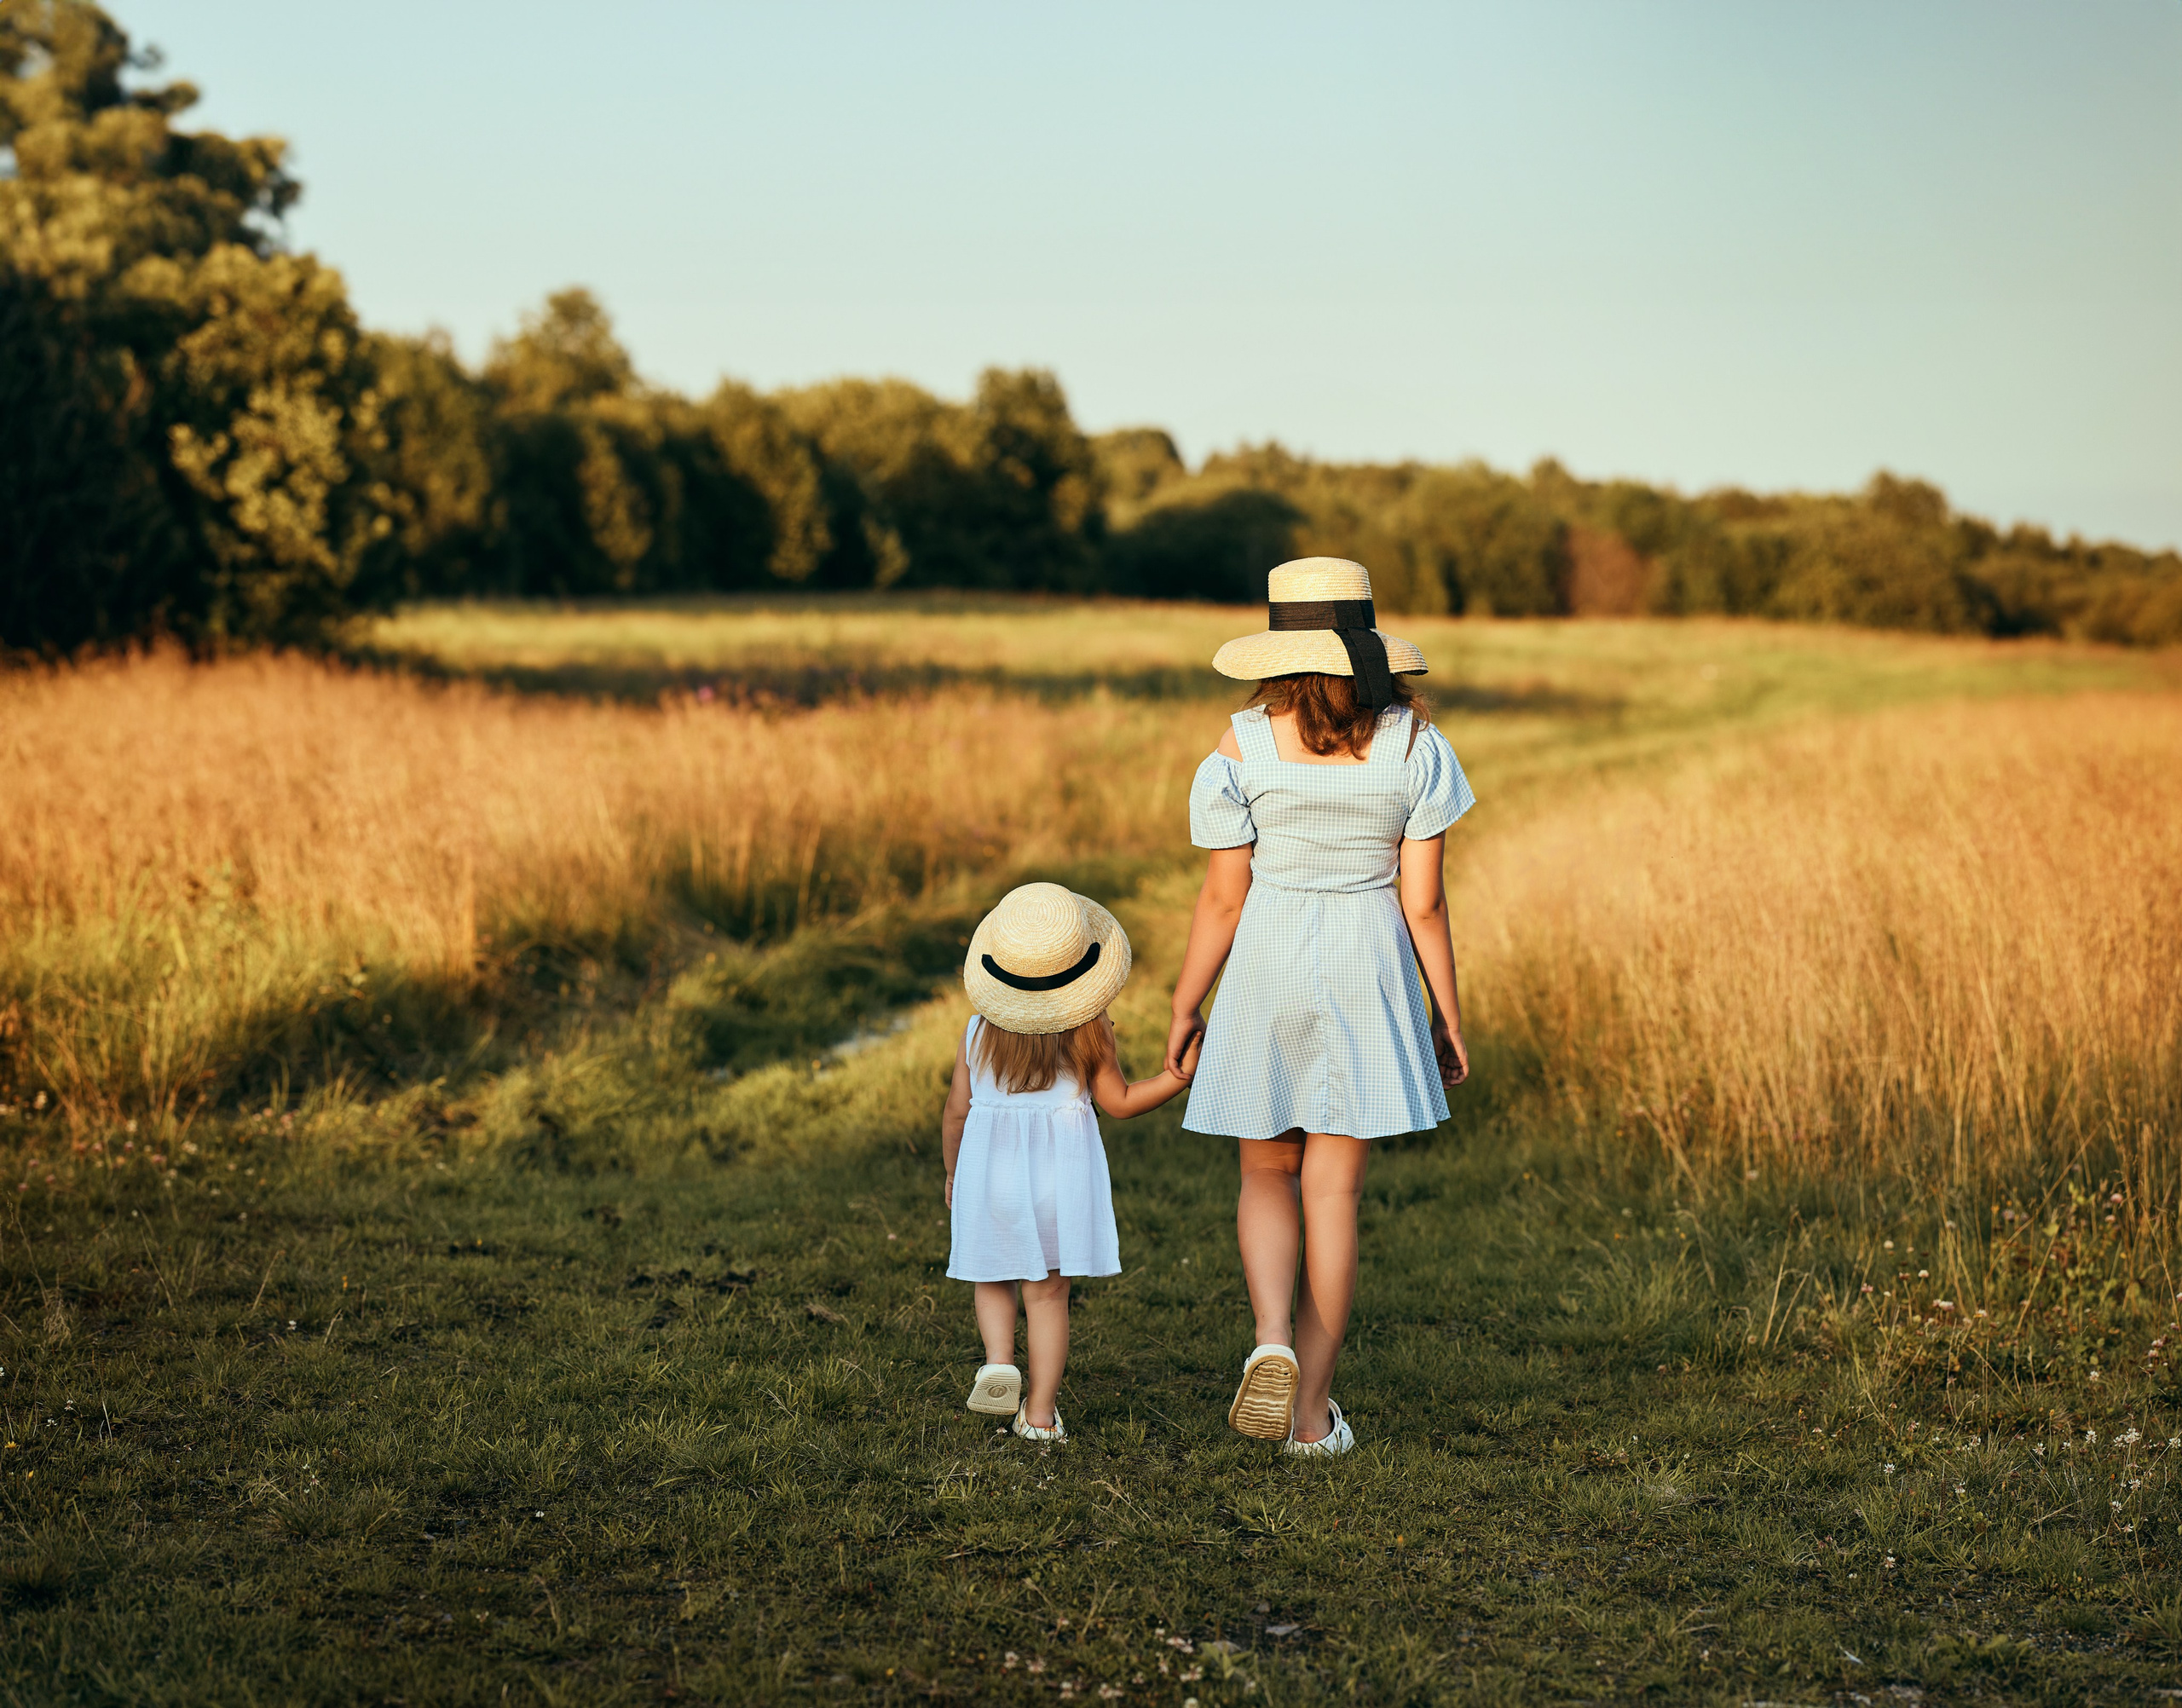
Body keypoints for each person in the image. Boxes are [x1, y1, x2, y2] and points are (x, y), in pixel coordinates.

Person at [1166, 557, 1475, 1456]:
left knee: (1265, 1173)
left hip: (1264, 963)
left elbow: (1222, 898)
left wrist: (1189, 1004)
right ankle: (1309, 1421)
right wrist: (1446, 1014)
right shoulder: (1417, 746)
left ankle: (1269, 1338)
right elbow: (1423, 903)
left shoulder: (1240, 745)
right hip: (1365, 969)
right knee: (1331, 1192)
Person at [942, 881, 1200, 1443]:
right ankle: (1038, 1415)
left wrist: (954, 1174)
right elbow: (1121, 1102)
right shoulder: (1089, 1030)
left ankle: (999, 1361)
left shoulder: (977, 1030)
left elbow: (957, 1113)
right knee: (1048, 1293)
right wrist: (1177, 1078)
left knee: (992, 1273)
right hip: (1059, 1181)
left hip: (990, 1176)